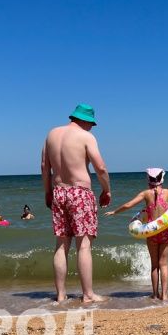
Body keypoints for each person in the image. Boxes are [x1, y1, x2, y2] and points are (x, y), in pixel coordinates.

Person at [41, 103, 111, 303]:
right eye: (91, 124)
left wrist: (47, 193)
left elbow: (44, 167)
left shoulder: (51, 134)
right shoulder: (86, 136)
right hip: (80, 193)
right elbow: (101, 167)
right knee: (84, 245)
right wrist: (106, 190)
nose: (91, 128)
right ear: (86, 120)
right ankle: (88, 294)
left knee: (61, 244)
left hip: (58, 192)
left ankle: (61, 295)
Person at [105, 168, 168, 301]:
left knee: (155, 265)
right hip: (165, 233)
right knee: (164, 265)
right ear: (162, 179)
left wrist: (115, 212)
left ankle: (155, 294)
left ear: (148, 180)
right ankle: (164, 296)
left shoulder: (145, 194)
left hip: (151, 234)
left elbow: (129, 204)